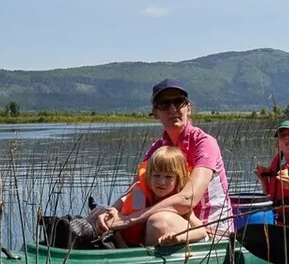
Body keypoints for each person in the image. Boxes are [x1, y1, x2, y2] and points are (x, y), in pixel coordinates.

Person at [94, 79, 232, 244]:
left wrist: (130, 220)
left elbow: (187, 199)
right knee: (97, 214)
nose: (173, 109)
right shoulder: (157, 148)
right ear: (155, 112)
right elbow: (138, 189)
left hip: (208, 231)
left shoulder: (205, 143)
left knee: (159, 222)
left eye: (178, 102)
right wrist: (114, 212)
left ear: (188, 108)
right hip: (175, 222)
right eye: (164, 104)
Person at [117, 146, 209, 246]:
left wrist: (178, 237)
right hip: (140, 245)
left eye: (168, 177)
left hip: (172, 238)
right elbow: (128, 227)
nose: (161, 182)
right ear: (149, 176)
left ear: (177, 179)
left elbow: (201, 232)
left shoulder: (177, 201)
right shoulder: (139, 195)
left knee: (157, 221)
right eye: (156, 175)